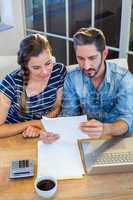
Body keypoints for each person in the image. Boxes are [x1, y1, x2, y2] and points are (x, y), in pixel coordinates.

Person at [61, 27, 133, 138]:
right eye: (80, 58)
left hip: (117, 139)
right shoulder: (72, 78)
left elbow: (127, 120)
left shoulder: (124, 78)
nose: (86, 66)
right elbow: (69, 116)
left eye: (92, 58)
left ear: (104, 53)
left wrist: (105, 129)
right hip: (84, 137)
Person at [0, 33, 66, 142]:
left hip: (43, 132)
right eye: (36, 67)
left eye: (48, 63)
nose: (45, 72)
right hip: (13, 137)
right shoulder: (11, 82)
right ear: (25, 65)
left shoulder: (58, 72)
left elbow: (57, 108)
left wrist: (40, 127)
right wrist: (33, 124)